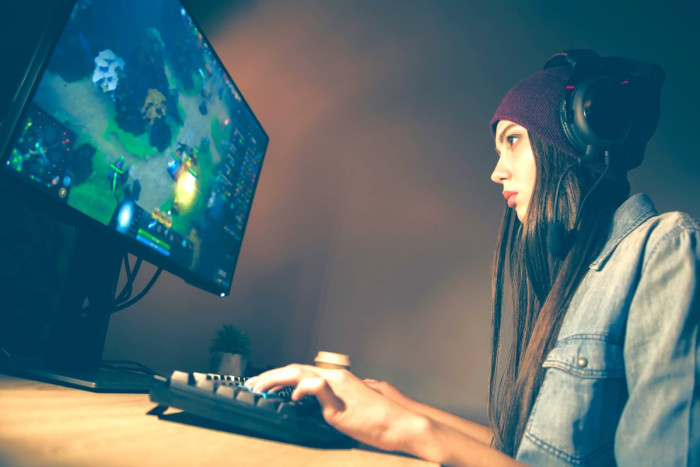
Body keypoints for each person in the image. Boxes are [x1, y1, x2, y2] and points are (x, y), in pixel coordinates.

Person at [245, 50, 700, 466]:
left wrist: (405, 429)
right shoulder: (582, 277)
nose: (496, 170)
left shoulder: (666, 248)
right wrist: (395, 402)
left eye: (514, 140)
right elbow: (523, 455)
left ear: (576, 140)